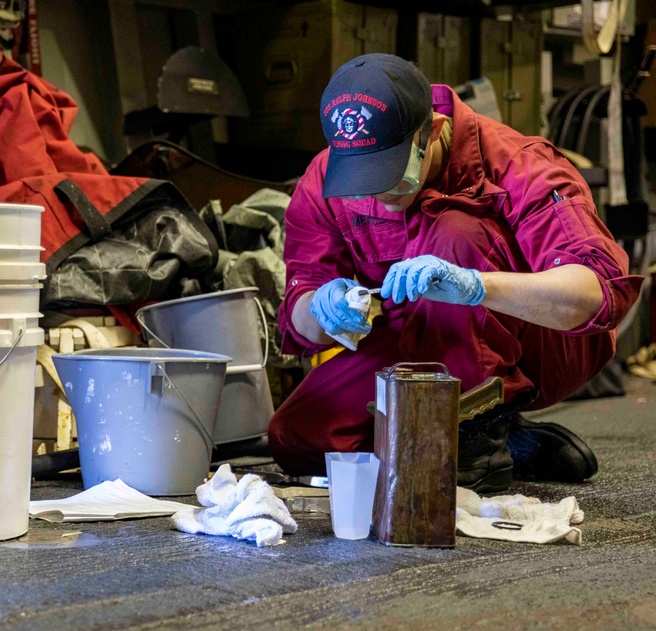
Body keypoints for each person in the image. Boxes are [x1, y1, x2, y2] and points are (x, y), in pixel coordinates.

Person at [268, 53, 643, 492]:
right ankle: (500, 438)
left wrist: (476, 287)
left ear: (434, 134)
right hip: (413, 339)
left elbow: (595, 295)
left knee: (456, 231)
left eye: (390, 176)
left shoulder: (520, 163)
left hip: (544, 340)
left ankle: (475, 428)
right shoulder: (323, 177)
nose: (378, 193)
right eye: (361, 180)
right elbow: (301, 316)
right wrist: (321, 307)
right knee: (297, 438)